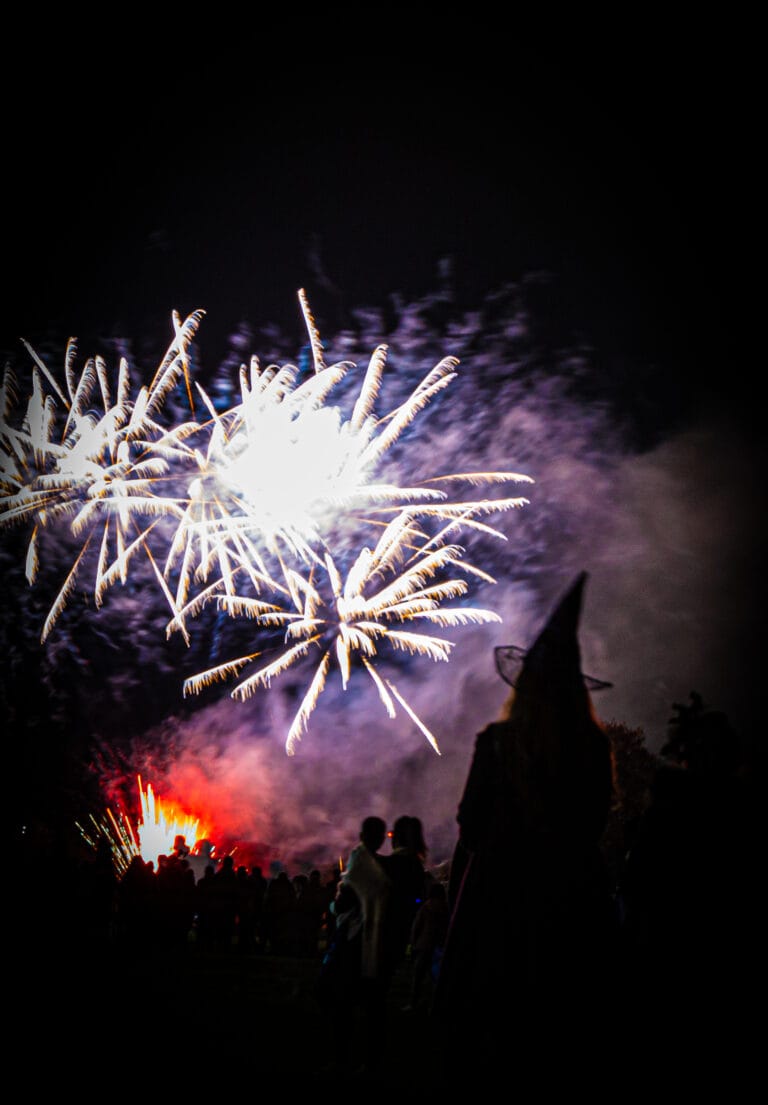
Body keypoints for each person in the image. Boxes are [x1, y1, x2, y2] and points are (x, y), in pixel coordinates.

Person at [435, 573, 614, 1074]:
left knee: (489, 1024)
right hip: (574, 902)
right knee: (564, 1033)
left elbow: (470, 821)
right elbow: (594, 824)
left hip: (500, 899)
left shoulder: (497, 741)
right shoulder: (592, 747)